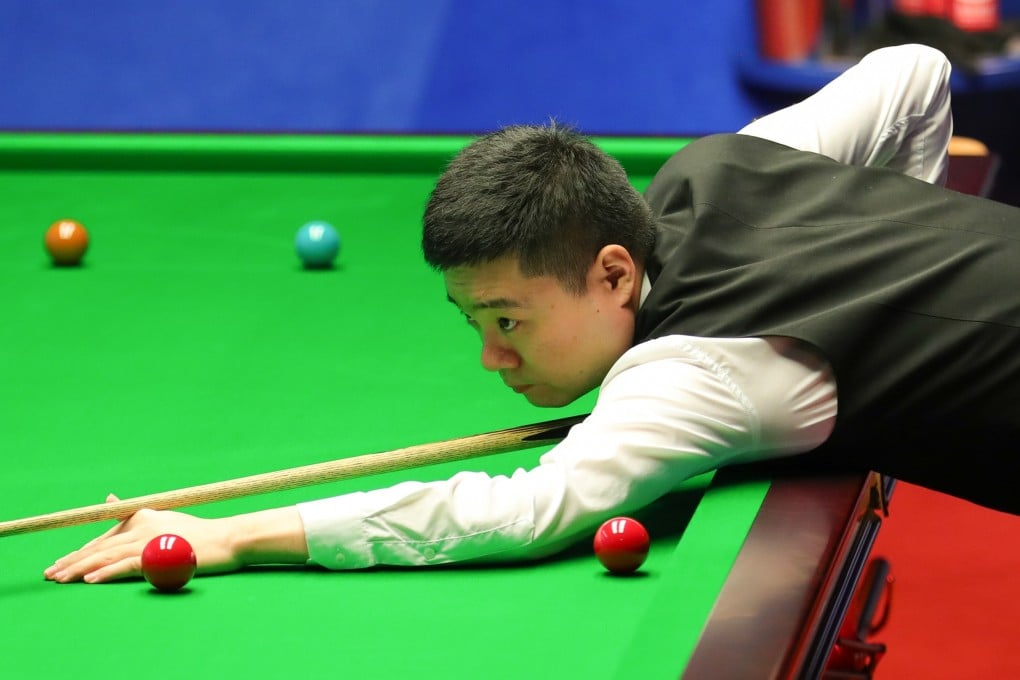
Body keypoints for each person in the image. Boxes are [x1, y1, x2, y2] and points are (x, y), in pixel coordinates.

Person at [44, 43, 1020, 584]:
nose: (489, 357)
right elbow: (916, 72)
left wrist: (237, 534)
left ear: (610, 272)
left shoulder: (689, 376)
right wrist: (887, 230)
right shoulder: (720, 163)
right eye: (474, 323)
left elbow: (523, 509)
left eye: (508, 320)